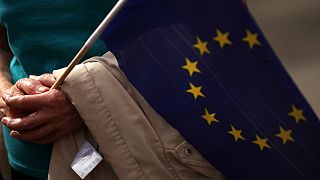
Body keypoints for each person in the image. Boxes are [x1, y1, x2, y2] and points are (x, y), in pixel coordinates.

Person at [2, 52, 226, 180]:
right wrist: (5, 94)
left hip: (149, 155)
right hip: (28, 163)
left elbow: (210, 25)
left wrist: (86, 98)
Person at [0, 1, 117, 179]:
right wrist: (5, 94)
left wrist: (88, 101)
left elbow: (168, 44)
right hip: (28, 156)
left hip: (123, 150)